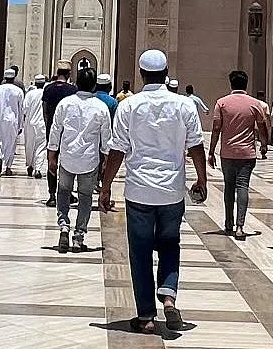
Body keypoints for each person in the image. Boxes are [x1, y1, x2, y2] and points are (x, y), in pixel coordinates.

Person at [99, 49, 206, 335]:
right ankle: (168, 298)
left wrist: (106, 186)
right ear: (167, 72)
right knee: (170, 244)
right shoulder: (184, 106)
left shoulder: (129, 106)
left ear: (142, 73)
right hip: (172, 191)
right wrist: (202, 180)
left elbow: (117, 149)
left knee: (141, 252)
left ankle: (146, 316)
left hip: (140, 192)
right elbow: (196, 145)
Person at [49, 67, 111, 253]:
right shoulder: (101, 107)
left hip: (68, 157)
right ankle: (79, 236)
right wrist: (106, 159)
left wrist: (52, 155)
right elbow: (106, 137)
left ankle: (64, 227)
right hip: (89, 160)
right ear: (94, 85)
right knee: (85, 198)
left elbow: (55, 129)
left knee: (63, 193)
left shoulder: (65, 104)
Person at [209, 71, 269, 239]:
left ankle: (228, 221)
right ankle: (240, 226)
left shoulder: (222, 103)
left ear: (231, 83)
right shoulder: (254, 104)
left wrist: (211, 151)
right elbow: (262, 127)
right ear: (246, 83)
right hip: (247, 154)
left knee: (229, 186)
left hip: (227, 153)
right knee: (243, 186)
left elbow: (216, 129)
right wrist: (264, 144)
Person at [41, 60, 78, 207]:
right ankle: (66, 193)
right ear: (69, 74)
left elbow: (44, 109)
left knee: (51, 162)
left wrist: (48, 125)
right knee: (67, 163)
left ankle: (51, 195)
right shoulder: (72, 90)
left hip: (52, 130)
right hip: (68, 132)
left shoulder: (48, 89)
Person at [0, 69, 24, 176]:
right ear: (13, 78)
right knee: (11, 144)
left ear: (5, 78)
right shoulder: (18, 91)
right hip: (13, 121)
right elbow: (21, 109)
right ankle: (8, 167)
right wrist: (21, 125)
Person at [22, 74, 47, 179]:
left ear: (35, 83)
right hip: (42, 123)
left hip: (30, 123)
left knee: (30, 145)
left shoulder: (30, 94)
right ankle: (38, 169)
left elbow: (25, 109)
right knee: (41, 146)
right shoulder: (46, 93)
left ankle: (30, 165)